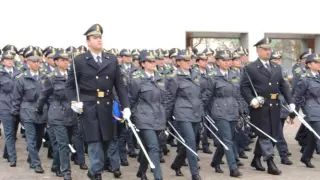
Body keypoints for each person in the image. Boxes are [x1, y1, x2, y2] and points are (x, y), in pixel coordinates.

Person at [65, 23, 130, 180]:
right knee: (95, 143)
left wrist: (126, 106)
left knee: (108, 141)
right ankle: (96, 173)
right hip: (89, 105)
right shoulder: (79, 61)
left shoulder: (111, 59)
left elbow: (119, 86)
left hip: (107, 104)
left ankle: (94, 171)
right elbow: (70, 86)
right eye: (95, 38)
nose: (99, 40)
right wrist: (74, 101)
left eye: (100, 37)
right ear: (88, 42)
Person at [240, 37, 293, 175]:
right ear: (258, 51)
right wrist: (251, 100)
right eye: (265, 49)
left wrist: (291, 102)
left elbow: (283, 86)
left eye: (269, 49)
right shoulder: (250, 68)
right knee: (264, 135)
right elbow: (244, 87)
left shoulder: (276, 67)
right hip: (260, 106)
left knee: (272, 134)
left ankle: (256, 159)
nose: (268, 52)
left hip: (275, 105)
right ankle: (270, 162)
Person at [128, 51, 167, 180]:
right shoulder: (136, 79)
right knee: (153, 147)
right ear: (143, 64)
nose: (153, 64)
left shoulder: (160, 78)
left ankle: (141, 171)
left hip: (158, 117)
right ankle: (158, 177)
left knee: (147, 146)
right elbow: (131, 100)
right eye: (149, 62)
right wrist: (133, 117)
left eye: (153, 61)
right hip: (143, 117)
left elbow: (164, 99)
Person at [204, 50, 243, 177]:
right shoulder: (212, 76)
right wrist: (204, 111)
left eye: (228, 60)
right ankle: (233, 168)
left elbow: (238, 95)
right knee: (227, 140)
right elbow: (207, 95)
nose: (227, 63)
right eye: (223, 60)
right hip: (219, 111)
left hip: (233, 110)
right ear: (217, 62)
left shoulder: (234, 75)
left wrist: (242, 110)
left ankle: (215, 162)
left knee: (228, 139)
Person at [36, 50, 73, 180]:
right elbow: (43, 96)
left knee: (66, 142)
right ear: (56, 62)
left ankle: (56, 165)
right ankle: (66, 171)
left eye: (67, 59)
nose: (66, 62)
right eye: (63, 60)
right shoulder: (51, 77)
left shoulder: (72, 76)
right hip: (56, 114)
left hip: (71, 114)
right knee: (63, 144)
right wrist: (39, 109)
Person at [11, 49, 48, 174]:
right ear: (28, 63)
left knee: (39, 138)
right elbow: (16, 97)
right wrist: (15, 113)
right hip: (27, 111)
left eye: (38, 61)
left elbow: (48, 95)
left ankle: (32, 157)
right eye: (34, 61)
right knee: (31, 138)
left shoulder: (44, 77)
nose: (37, 63)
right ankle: (36, 163)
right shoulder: (21, 78)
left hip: (42, 111)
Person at [167, 50, 202, 180]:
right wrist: (167, 118)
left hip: (196, 113)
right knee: (191, 142)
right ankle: (195, 173)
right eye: (185, 61)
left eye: (190, 60)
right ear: (178, 62)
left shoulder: (195, 75)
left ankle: (177, 164)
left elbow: (199, 95)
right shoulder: (174, 78)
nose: (189, 63)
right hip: (182, 113)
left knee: (190, 141)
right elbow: (170, 98)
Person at [293, 53, 320, 168]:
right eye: (316, 62)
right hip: (311, 110)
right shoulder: (305, 79)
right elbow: (298, 96)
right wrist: (293, 109)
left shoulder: (318, 76)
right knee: (318, 134)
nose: (319, 64)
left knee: (313, 136)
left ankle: (306, 157)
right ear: (309, 65)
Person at [270, 51, 293, 165]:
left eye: (279, 59)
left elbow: (287, 89)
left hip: (283, 106)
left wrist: (291, 103)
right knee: (278, 132)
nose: (277, 61)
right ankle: (283, 155)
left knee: (276, 132)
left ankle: (261, 155)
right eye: (274, 60)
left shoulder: (282, 71)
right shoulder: (268, 72)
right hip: (273, 105)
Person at [0, 51, 21, 167]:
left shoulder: (19, 73)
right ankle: (13, 158)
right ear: (3, 61)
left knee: (12, 131)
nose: (10, 61)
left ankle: (6, 153)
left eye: (11, 59)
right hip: (4, 107)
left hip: (17, 106)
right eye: (7, 59)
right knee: (9, 133)